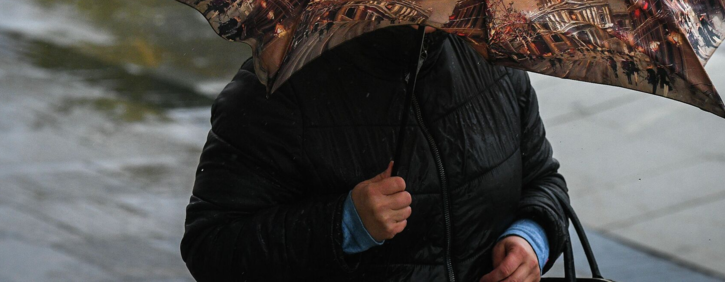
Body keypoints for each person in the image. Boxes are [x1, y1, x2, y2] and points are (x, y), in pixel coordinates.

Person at [180, 25, 570, 281]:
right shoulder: (275, 88)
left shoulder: (490, 56)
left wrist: (530, 239)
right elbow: (212, 248)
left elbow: (543, 179)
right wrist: (343, 225)